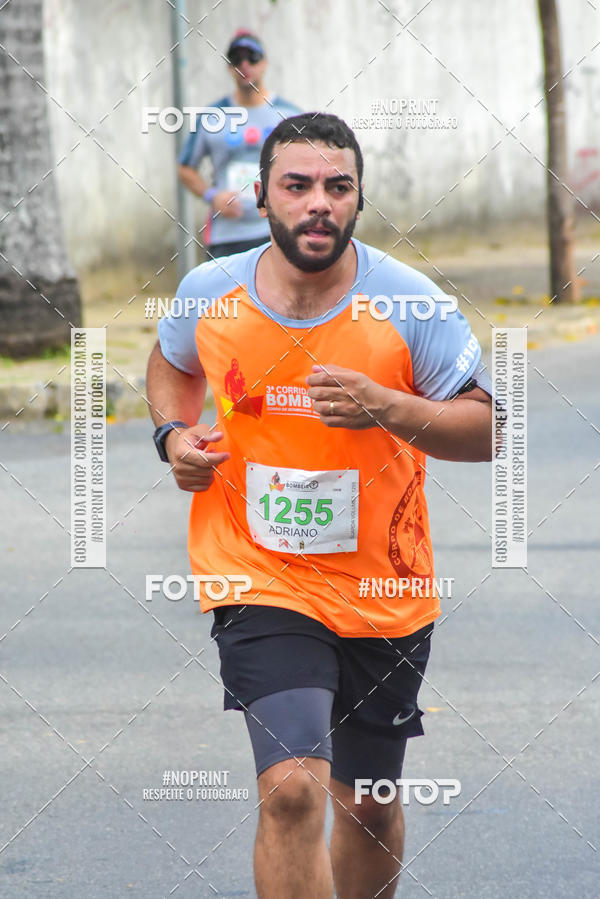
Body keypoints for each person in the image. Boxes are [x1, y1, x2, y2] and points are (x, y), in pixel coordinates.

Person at [148, 112, 493, 898]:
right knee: (293, 787)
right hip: (258, 574)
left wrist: (389, 407)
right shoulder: (212, 291)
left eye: (338, 187)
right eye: (297, 185)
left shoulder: (411, 305)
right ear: (261, 197)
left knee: (366, 803)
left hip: (383, 587)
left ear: (358, 199)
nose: (318, 204)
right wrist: (173, 436)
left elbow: (486, 431)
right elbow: (170, 363)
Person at [177, 30, 300, 259]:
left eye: (252, 57)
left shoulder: (289, 115)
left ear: (264, 63)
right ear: (229, 67)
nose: (244, 65)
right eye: (236, 59)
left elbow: (307, 167)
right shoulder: (212, 117)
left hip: (277, 232)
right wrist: (212, 196)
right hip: (227, 236)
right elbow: (185, 168)